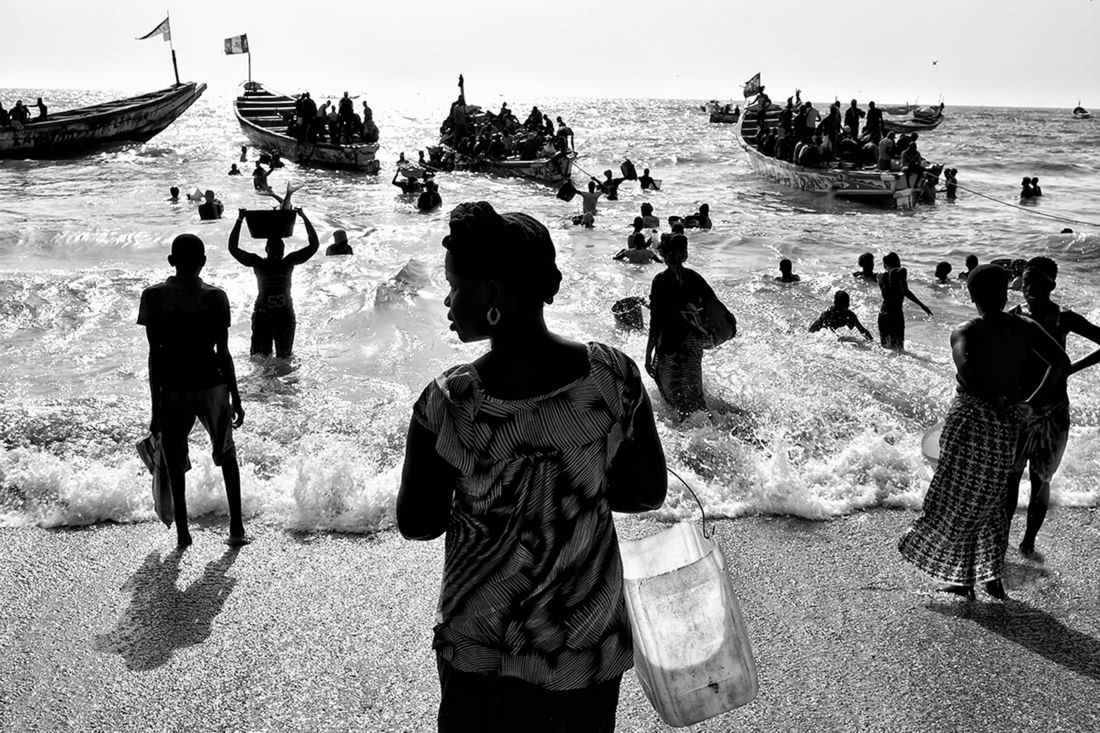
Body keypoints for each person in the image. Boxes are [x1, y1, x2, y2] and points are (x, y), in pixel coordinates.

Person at [397, 201, 666, 732]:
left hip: (483, 647)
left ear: (494, 295)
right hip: (585, 639)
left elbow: (417, 523)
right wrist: (571, 488)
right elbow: (646, 492)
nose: (449, 300)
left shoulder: (452, 401)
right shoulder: (611, 377)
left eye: (456, 285)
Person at [898, 265, 1069, 600]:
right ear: (1006, 294)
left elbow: (967, 368)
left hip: (972, 419)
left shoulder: (967, 329)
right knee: (993, 500)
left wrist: (996, 399)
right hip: (1006, 424)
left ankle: (964, 581)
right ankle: (990, 578)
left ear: (971, 295)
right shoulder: (1026, 327)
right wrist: (1028, 403)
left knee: (958, 496)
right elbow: (1060, 364)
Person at [138, 233, 248, 548]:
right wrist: (236, 396)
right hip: (212, 384)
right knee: (226, 454)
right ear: (202, 262)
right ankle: (236, 528)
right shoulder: (216, 296)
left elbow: (154, 356)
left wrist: (155, 407)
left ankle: (183, 533)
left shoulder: (153, 296)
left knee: (174, 460)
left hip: (173, 387)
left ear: (172, 261)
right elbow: (223, 352)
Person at [1005, 257, 1100, 557]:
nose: (1031, 288)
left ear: (1052, 286)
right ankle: (1002, 538)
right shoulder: (1014, 315)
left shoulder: (1064, 318)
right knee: (1011, 476)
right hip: (1021, 408)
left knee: (1041, 478)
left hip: (1054, 408)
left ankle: (1029, 540)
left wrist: (1070, 369)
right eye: (1027, 282)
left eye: (1039, 283)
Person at [647, 233, 725, 420]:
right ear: (684, 254)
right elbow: (713, 307)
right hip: (693, 343)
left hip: (670, 344)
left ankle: (686, 432)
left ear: (664, 254)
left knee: (673, 394)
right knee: (693, 390)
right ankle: (709, 424)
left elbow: (655, 321)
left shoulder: (660, 280)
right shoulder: (694, 277)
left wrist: (648, 354)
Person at [228, 207, 319, 359]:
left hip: (278, 316)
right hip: (269, 316)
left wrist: (240, 219)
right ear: (267, 249)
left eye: (279, 248)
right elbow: (314, 244)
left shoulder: (275, 263)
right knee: (267, 358)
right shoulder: (277, 262)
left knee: (272, 359)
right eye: (274, 248)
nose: (277, 251)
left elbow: (314, 245)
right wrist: (239, 220)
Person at [877, 252, 932, 350]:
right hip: (895, 314)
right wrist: (922, 305)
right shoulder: (899, 273)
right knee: (899, 348)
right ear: (898, 262)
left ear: (884, 265)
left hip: (883, 314)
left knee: (885, 348)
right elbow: (906, 291)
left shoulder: (880, 277)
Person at [809, 291, 873, 340]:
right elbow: (814, 328)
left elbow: (862, 330)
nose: (844, 309)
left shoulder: (850, 315)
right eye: (842, 306)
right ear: (835, 303)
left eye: (845, 306)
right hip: (823, 333)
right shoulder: (828, 313)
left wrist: (871, 341)